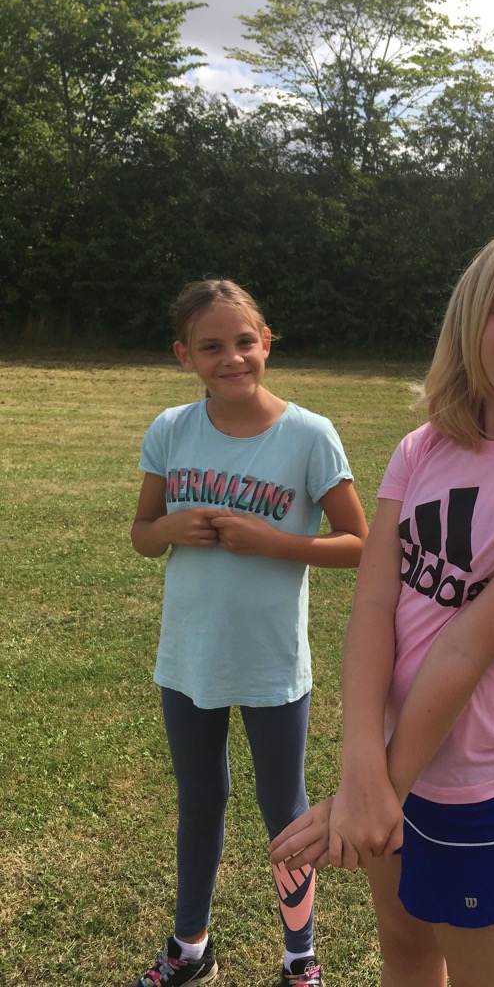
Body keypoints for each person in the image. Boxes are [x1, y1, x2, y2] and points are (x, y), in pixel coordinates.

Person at [270, 220, 494, 987]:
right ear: (470, 322)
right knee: (405, 952)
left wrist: (375, 791)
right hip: (388, 763)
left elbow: (467, 645)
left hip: (475, 792)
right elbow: (374, 604)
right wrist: (363, 770)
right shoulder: (422, 446)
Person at [128, 279, 368, 987]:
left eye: (243, 342)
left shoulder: (308, 435)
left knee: (284, 810)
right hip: (189, 657)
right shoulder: (171, 430)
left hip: (271, 661)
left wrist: (275, 542)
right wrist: (167, 528)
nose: (231, 358)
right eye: (211, 347)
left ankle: (300, 957)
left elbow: (359, 542)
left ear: (266, 343)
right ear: (185, 356)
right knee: (199, 800)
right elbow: (142, 534)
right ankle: (189, 948)